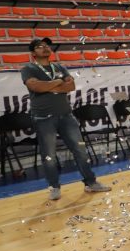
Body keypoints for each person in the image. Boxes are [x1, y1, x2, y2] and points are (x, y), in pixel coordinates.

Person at [20, 38, 110, 200]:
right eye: (40, 47)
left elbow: (71, 86)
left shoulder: (59, 67)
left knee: (80, 151)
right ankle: (54, 187)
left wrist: (48, 86)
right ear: (33, 53)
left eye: (47, 46)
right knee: (49, 155)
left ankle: (90, 182)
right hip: (43, 118)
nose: (45, 48)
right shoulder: (28, 68)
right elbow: (35, 87)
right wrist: (58, 82)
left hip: (66, 116)